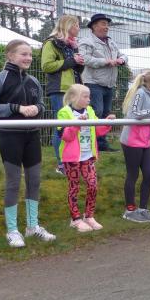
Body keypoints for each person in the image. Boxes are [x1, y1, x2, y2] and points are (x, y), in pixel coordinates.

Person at [0, 40, 55, 247]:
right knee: (13, 182)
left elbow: (41, 104)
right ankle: (12, 230)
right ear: (10, 56)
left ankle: (32, 226)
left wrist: (37, 109)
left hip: (32, 137)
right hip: (10, 137)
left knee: (34, 181)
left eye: (30, 55)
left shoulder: (33, 81)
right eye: (24, 54)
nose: (28, 58)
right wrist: (17, 108)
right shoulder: (0, 79)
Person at [57, 84, 114, 232]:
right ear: (74, 97)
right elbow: (65, 136)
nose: (89, 99)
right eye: (85, 96)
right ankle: (75, 219)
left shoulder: (90, 110)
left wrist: (107, 123)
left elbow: (97, 130)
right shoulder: (64, 112)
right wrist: (77, 125)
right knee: (74, 187)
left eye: (89, 96)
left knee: (93, 185)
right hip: (72, 158)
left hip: (88, 156)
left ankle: (89, 216)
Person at [120, 69, 150, 222]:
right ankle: (129, 210)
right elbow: (134, 114)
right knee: (133, 174)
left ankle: (143, 209)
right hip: (132, 141)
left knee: (149, 174)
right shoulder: (140, 93)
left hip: (145, 141)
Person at [41, 14, 84, 173]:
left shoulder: (73, 45)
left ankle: (73, 161)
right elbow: (46, 66)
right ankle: (62, 164)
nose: (78, 28)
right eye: (76, 25)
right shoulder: (51, 43)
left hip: (74, 90)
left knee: (74, 126)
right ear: (68, 26)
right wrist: (72, 61)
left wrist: (79, 64)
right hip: (59, 90)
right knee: (62, 126)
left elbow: (73, 68)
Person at [79, 13, 127, 152]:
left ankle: (101, 144)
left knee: (105, 113)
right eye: (103, 24)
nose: (107, 27)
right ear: (94, 26)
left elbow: (123, 55)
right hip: (93, 83)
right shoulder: (87, 41)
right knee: (96, 111)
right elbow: (84, 59)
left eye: (107, 24)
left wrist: (122, 60)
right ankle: (92, 142)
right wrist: (106, 62)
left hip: (109, 84)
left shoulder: (111, 42)